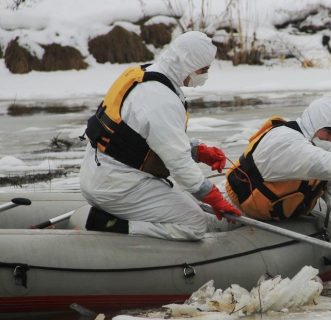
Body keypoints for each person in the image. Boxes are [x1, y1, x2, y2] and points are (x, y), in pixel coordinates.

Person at [79, 31, 240, 241]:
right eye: (203, 69)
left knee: (183, 201)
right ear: (187, 63)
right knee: (195, 223)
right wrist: (212, 196)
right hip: (117, 186)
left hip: (101, 175)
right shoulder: (161, 98)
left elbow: (143, 138)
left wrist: (197, 151)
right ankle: (114, 225)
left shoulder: (147, 74)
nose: (205, 76)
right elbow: (178, 163)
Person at [224, 97, 331, 253]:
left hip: (272, 217)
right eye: (328, 133)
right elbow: (319, 162)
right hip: (232, 210)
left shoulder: (319, 147)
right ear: (314, 124)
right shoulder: (284, 140)